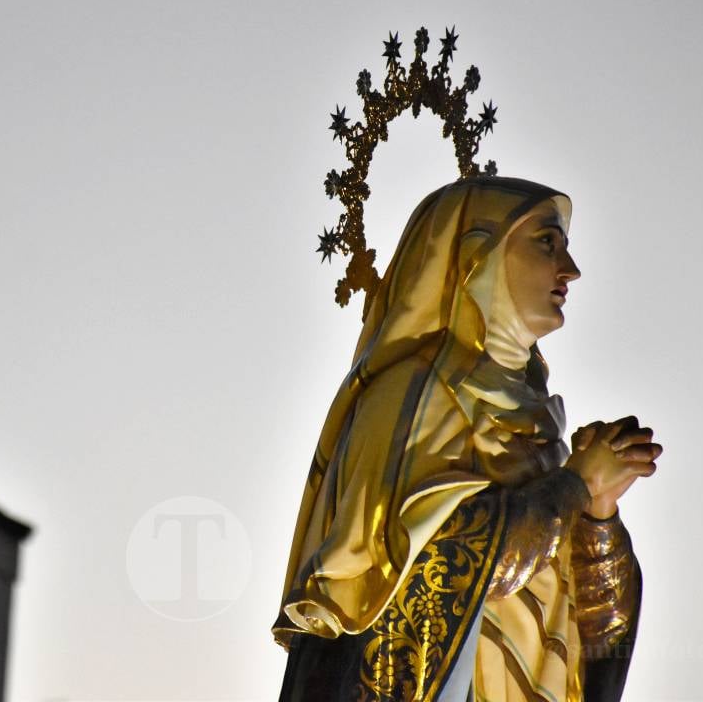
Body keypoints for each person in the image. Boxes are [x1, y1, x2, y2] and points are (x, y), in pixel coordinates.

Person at [274, 175, 660, 702]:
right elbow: (432, 569)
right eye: (546, 243)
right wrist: (573, 486)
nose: (569, 270)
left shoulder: (539, 423)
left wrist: (597, 513)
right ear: (476, 255)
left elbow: (591, 630)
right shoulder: (411, 394)